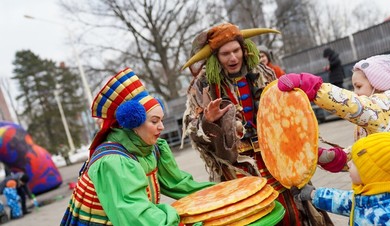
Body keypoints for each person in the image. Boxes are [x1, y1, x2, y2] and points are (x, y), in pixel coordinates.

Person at [181, 22, 333, 226]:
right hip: (238, 164)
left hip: (275, 153)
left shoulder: (264, 73)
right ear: (215, 56)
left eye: (236, 51)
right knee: (254, 211)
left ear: (244, 49)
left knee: (293, 206)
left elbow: (287, 109)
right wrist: (207, 121)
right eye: (225, 54)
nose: (233, 58)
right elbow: (193, 130)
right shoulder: (202, 85)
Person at [61, 68, 215, 226]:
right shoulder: (113, 162)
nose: (161, 126)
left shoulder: (152, 149)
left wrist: (218, 193)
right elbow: (136, 216)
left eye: (161, 120)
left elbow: (179, 185)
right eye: (154, 121)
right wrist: (178, 217)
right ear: (133, 123)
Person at [278, 51, 390, 172]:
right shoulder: (374, 118)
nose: (355, 92)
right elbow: (366, 151)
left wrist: (315, 88)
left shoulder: (389, 107)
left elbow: (355, 105)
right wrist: (338, 158)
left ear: (380, 84)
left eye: (359, 86)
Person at [292, 127, 390, 225]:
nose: (348, 163)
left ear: (372, 174)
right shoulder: (368, 197)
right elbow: (342, 200)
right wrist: (313, 194)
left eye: (355, 163)